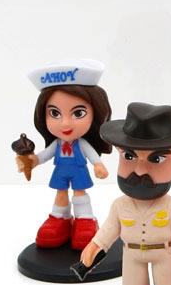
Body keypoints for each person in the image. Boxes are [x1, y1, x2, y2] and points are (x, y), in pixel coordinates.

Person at [80, 102, 171, 285]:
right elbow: (109, 229)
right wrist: (95, 245)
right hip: (131, 253)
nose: (140, 170)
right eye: (129, 156)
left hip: (163, 252)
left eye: (156, 159)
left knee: (167, 281)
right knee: (133, 283)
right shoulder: (120, 205)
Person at [17, 58, 111, 249]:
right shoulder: (57, 144)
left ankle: (85, 219)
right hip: (60, 171)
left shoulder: (82, 143)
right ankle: (60, 218)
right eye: (55, 113)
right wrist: (31, 161)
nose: (65, 123)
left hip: (78, 171)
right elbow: (45, 155)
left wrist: (98, 164)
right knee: (60, 193)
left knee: (79, 193)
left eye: (78, 113)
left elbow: (92, 155)